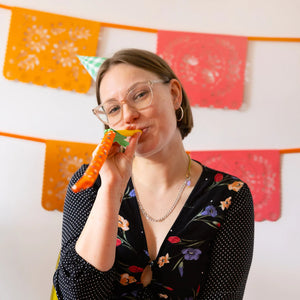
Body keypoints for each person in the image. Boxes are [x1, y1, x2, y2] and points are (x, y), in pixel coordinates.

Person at [53, 48, 254, 299]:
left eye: (139, 95)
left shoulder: (230, 195)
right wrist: (111, 189)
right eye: (113, 109)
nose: (128, 115)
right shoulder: (92, 184)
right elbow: (77, 296)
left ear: (173, 94)